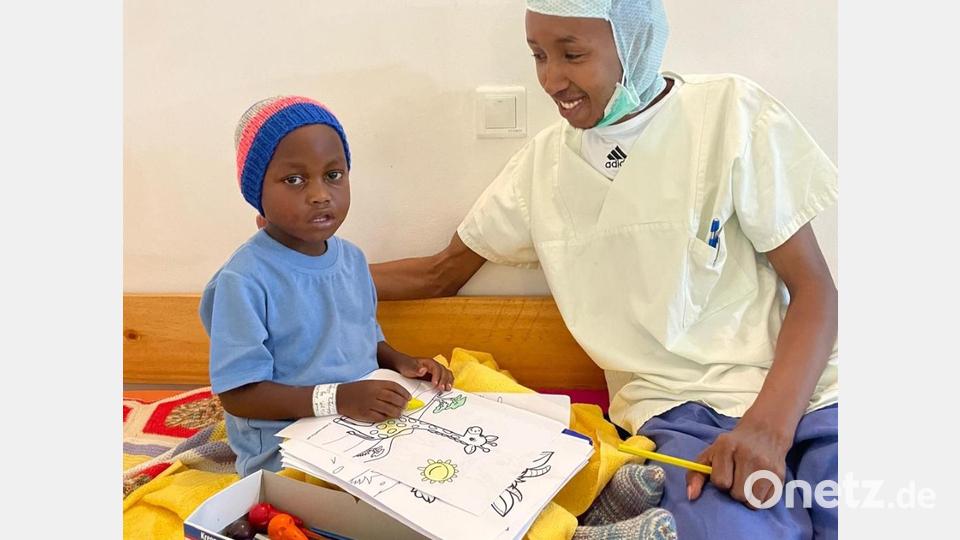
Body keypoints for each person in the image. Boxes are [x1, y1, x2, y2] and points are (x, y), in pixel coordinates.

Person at [370, 1, 839, 538]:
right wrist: (301, 263)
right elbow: (440, 274)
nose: (551, 79)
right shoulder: (541, 169)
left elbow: (815, 290)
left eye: (572, 54)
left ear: (633, 44)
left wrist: (769, 428)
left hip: (813, 393)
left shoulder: (728, 115)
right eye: (538, 56)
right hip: (680, 412)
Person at [200, 96, 453, 477]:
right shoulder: (244, 280)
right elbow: (239, 395)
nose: (320, 194)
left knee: (449, 464)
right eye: (294, 180)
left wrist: (402, 362)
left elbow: (361, 338)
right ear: (258, 192)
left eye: (333, 175)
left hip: (359, 426)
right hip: (286, 449)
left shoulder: (351, 259)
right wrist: (338, 399)